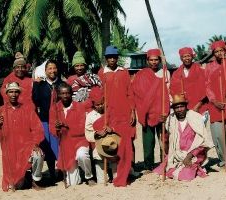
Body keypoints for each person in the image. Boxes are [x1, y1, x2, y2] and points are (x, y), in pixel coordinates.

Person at [0, 82, 44, 191]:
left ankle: (35, 180)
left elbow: (37, 129)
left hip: (27, 146)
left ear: (19, 93)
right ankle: (26, 176)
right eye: (11, 91)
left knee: (39, 154)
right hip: (10, 150)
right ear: (7, 94)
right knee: (19, 186)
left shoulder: (28, 110)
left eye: (16, 91)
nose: (13, 94)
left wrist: (35, 144)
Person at [97, 45, 136, 187]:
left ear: (117, 58)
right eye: (109, 57)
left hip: (125, 113)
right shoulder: (102, 73)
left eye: (114, 57)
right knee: (114, 144)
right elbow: (100, 95)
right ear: (106, 59)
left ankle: (126, 173)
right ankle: (117, 173)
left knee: (126, 145)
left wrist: (132, 110)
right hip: (110, 114)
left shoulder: (124, 72)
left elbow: (130, 92)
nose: (112, 59)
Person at [154, 94, 213, 181]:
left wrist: (189, 156)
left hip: (194, 154)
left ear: (186, 106)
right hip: (176, 154)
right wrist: (163, 125)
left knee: (186, 176)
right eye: (177, 107)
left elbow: (202, 142)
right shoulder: (171, 119)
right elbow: (167, 140)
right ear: (173, 109)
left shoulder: (195, 118)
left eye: (182, 106)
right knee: (161, 170)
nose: (179, 110)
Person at [132, 48, 170, 171]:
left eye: (156, 60)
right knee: (148, 141)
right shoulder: (140, 75)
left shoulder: (165, 73)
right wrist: (144, 109)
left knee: (164, 138)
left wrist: (166, 111)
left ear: (159, 60)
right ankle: (148, 165)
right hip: (146, 113)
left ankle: (164, 162)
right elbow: (136, 93)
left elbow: (168, 93)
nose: (154, 62)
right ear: (147, 60)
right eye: (151, 60)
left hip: (161, 111)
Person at [49, 83, 94, 186]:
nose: (65, 96)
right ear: (59, 95)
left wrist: (66, 126)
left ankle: (89, 176)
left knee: (82, 155)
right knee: (73, 183)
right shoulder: (55, 108)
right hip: (66, 144)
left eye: (67, 93)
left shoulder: (79, 107)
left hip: (80, 140)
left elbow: (82, 127)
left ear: (71, 94)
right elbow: (52, 128)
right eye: (62, 93)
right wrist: (57, 128)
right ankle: (77, 174)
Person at [205, 41, 226, 168]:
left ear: (225, 51)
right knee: (218, 133)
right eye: (216, 51)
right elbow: (207, 86)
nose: (219, 53)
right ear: (214, 54)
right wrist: (214, 101)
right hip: (215, 105)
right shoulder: (209, 67)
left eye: (221, 50)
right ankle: (223, 159)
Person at [32, 60, 64, 182]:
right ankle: (51, 173)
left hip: (59, 121)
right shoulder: (40, 85)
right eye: (49, 68)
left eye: (54, 68)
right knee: (49, 147)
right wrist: (35, 84)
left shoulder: (62, 84)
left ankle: (61, 171)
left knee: (60, 147)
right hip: (45, 120)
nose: (52, 71)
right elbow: (35, 100)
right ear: (45, 71)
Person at [170, 47, 208, 113]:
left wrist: (198, 105)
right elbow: (173, 91)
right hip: (185, 108)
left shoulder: (200, 70)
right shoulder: (176, 74)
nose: (187, 58)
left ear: (192, 57)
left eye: (189, 56)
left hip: (201, 106)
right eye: (184, 56)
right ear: (181, 58)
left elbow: (206, 89)